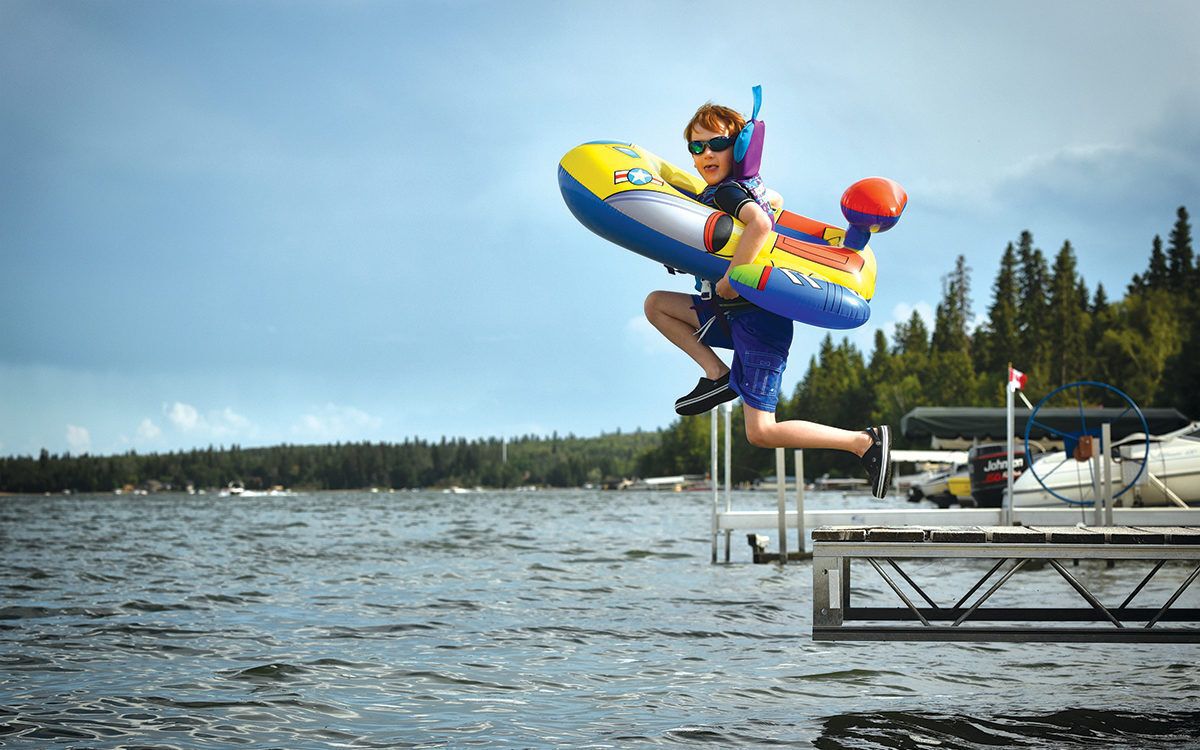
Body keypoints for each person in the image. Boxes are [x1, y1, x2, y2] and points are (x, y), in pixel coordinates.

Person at [642, 100, 893, 498]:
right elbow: (758, 214)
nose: (706, 154)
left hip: (758, 320)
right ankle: (717, 375)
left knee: (762, 432)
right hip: (728, 312)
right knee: (657, 304)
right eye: (696, 147)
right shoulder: (737, 190)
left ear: (739, 148)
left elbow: (759, 224)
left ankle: (863, 442)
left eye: (717, 144)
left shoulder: (728, 191)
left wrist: (732, 279)